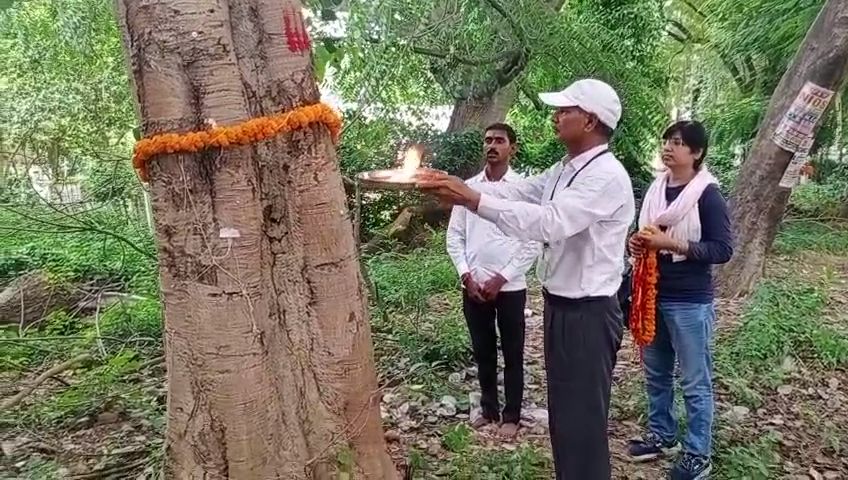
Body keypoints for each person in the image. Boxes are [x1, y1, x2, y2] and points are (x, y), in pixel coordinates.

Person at [418, 78, 634, 479]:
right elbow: (522, 193)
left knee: (582, 422)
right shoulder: (564, 170)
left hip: (588, 313)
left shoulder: (604, 176)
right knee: (565, 418)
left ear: (589, 121)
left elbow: (550, 223)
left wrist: (472, 199)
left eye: (565, 110)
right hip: (561, 306)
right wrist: (461, 188)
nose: (557, 117)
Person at [627, 120, 733, 480]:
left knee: (694, 381)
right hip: (653, 293)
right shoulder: (657, 189)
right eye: (666, 141)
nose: (668, 148)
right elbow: (646, 234)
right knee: (656, 374)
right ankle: (662, 434)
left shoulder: (707, 194)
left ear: (697, 152)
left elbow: (722, 249)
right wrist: (637, 243)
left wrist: (670, 245)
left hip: (689, 301)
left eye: (677, 142)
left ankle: (698, 454)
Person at [446, 123, 540, 438]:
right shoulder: (467, 188)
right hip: (473, 286)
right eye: (488, 140)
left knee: (513, 351)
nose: (492, 145)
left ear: (513, 147)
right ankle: (488, 408)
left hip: (510, 287)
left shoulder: (523, 189)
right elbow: (454, 237)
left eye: (499, 140)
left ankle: (511, 415)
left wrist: (503, 277)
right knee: (482, 349)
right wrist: (465, 274)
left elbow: (533, 241)